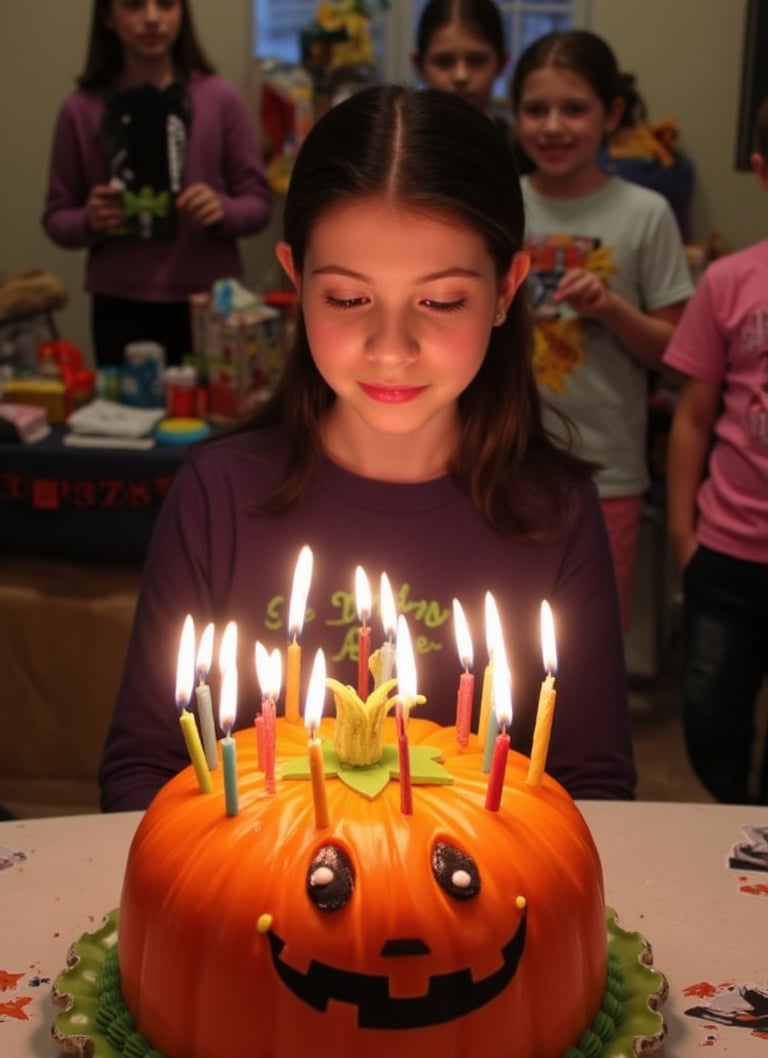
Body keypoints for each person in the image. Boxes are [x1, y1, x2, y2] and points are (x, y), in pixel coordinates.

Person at [97, 84, 636, 812]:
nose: (391, 350)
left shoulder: (556, 514)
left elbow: (592, 789)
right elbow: (144, 768)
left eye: (441, 301)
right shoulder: (218, 494)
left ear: (507, 288)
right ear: (295, 278)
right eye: (348, 300)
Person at [510, 30, 693, 632]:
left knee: (589, 635)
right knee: (503, 623)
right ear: (515, 116)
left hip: (605, 469)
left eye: (575, 108)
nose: (553, 126)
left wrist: (612, 307)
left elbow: (675, 353)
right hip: (505, 455)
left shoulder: (645, 213)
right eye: (536, 109)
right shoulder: (500, 204)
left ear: (612, 114)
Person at [42, 0, 272, 368]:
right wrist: (89, 219)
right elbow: (56, 217)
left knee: (219, 420)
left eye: (166, 4)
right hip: (119, 302)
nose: (152, 18)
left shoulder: (219, 98)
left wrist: (223, 209)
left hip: (212, 301)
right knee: (126, 420)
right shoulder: (80, 109)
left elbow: (259, 202)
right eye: (134, 5)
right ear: (107, 15)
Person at [662, 96, 768, 806]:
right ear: (763, 171)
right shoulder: (730, 282)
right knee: (707, 713)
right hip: (726, 552)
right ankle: (736, 814)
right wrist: (681, 532)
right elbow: (693, 417)